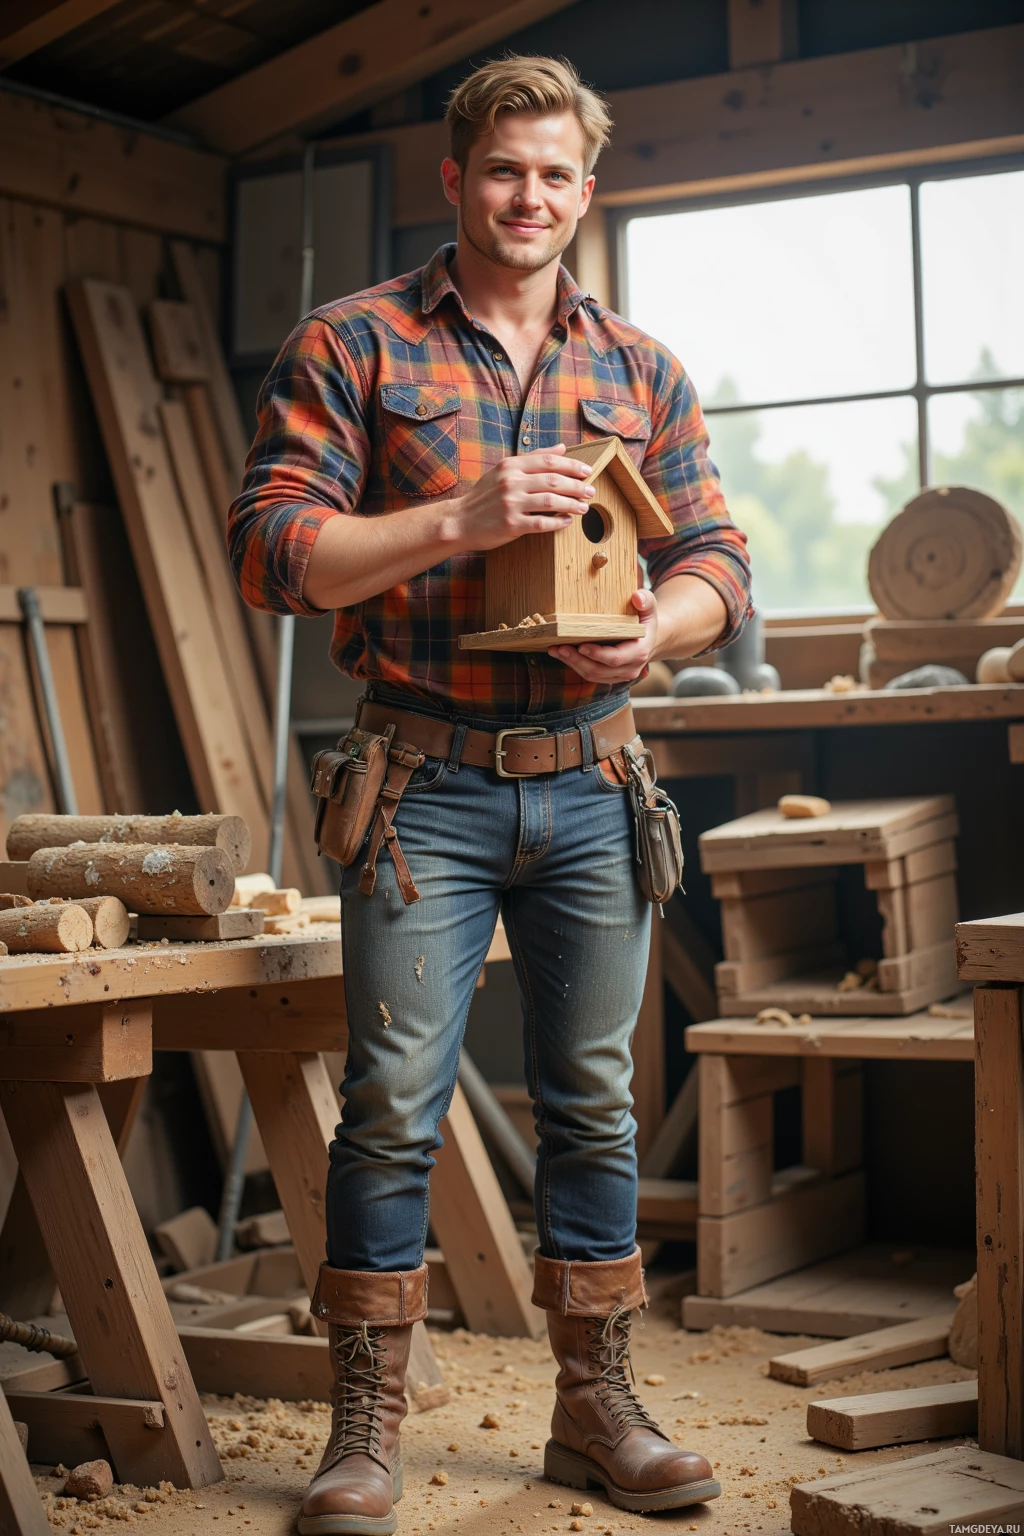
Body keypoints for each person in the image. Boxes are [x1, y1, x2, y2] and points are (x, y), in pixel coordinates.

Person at [229, 53, 751, 1536]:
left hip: (595, 780)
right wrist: (455, 519)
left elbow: (719, 559)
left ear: (589, 193)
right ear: (453, 179)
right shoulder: (355, 344)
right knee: (393, 1105)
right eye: (504, 169)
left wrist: (661, 626)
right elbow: (271, 550)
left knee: (594, 1100)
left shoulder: (642, 370)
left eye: (558, 174)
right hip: (423, 783)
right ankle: (366, 1424)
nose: (531, 197)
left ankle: (594, 1403)